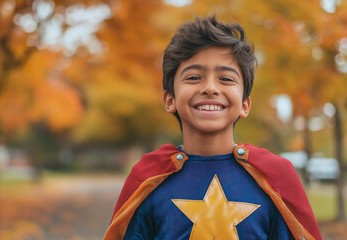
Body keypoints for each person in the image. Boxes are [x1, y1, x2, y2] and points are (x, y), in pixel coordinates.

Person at [103, 15, 322, 240]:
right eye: (194, 77)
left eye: (226, 79)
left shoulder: (275, 179)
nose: (210, 88)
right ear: (170, 100)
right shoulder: (147, 180)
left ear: (245, 105)